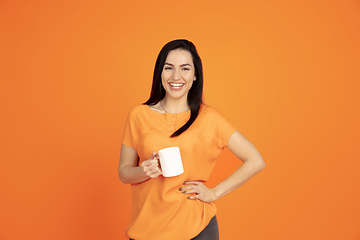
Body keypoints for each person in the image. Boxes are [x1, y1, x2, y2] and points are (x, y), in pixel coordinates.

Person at [118, 39, 265, 240]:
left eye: (185, 69)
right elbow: (124, 173)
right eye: (168, 68)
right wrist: (144, 171)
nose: (176, 76)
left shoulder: (210, 118)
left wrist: (214, 193)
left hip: (197, 229)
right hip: (146, 230)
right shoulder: (138, 115)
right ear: (159, 72)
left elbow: (256, 160)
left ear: (195, 75)